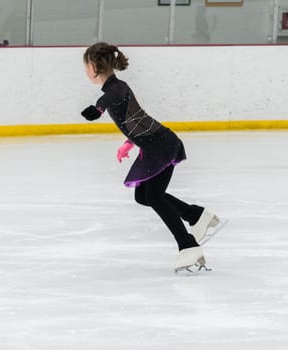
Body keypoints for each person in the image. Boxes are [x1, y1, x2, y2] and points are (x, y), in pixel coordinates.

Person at [81, 42, 219, 273]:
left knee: (153, 197)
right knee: (144, 196)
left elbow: (106, 102)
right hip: (154, 143)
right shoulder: (117, 88)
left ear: (94, 67)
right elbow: (137, 119)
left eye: (86, 66)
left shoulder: (115, 89)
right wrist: (128, 143)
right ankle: (196, 215)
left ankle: (187, 245)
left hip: (160, 145)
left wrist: (97, 109)